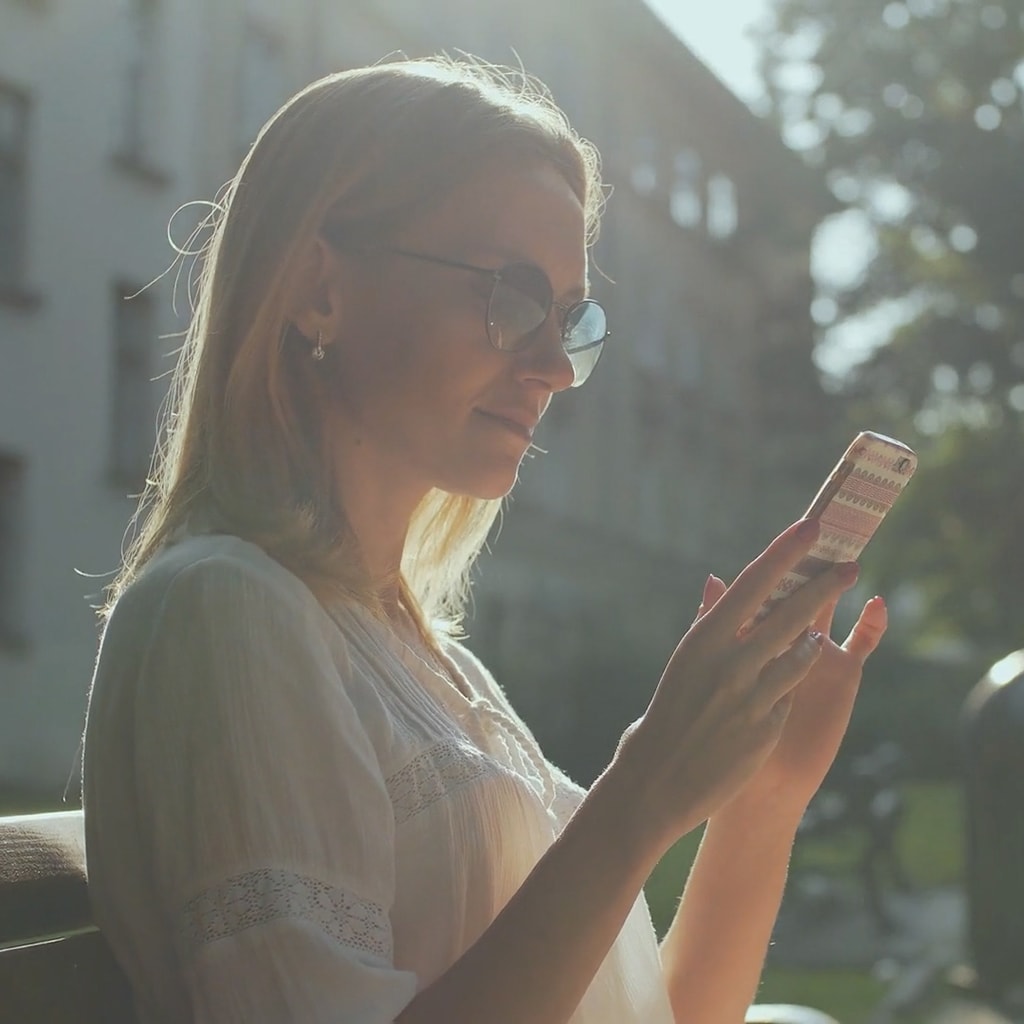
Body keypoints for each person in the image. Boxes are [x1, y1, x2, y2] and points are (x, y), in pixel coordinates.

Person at [82, 55, 887, 1024]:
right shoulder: (222, 610)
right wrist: (636, 795)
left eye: (569, 319)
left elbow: (660, 1016)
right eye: (507, 295)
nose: (552, 365)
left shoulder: (427, 663)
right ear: (317, 287)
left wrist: (763, 796)